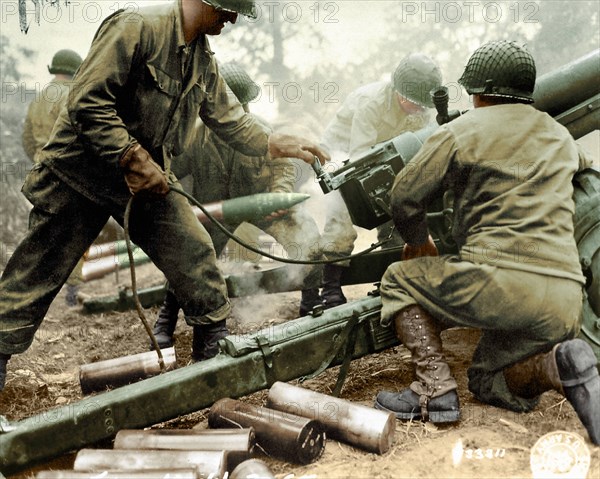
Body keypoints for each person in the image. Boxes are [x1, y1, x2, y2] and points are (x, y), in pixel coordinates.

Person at [0, 0, 329, 392]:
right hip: (79, 173)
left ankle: (211, 363)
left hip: (147, 179)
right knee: (34, 277)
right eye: (227, 9)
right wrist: (131, 156)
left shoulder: (202, 61)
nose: (233, 18)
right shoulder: (136, 27)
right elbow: (87, 101)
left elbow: (232, 122)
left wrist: (278, 141)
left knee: (195, 253)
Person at [374, 41, 599, 445]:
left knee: (397, 278)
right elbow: (585, 170)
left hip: (498, 286)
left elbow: (403, 197)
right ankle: (559, 366)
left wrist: (420, 240)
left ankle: (433, 390)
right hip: (566, 303)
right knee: (487, 378)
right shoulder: (560, 135)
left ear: (477, 93)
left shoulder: (459, 131)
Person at [152, 61, 324, 355]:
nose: (235, 113)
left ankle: (312, 300)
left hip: (260, 206)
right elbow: (169, 171)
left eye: (240, 106)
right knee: (189, 257)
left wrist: (279, 196)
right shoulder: (193, 137)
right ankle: (166, 319)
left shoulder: (263, 132)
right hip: (215, 213)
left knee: (307, 236)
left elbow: (282, 167)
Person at [313, 53, 442, 312]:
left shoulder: (420, 107)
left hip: (388, 156)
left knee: (399, 213)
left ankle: (389, 279)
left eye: (421, 106)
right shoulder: (370, 103)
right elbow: (360, 158)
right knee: (342, 213)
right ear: (398, 92)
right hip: (343, 155)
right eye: (412, 103)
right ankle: (329, 288)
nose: (417, 110)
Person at [22, 49, 85, 307]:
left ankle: (29, 295)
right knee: (76, 231)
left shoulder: (39, 98)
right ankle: (71, 293)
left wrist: (38, 158)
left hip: (41, 172)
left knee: (41, 233)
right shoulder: (75, 94)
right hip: (68, 172)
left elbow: (26, 137)